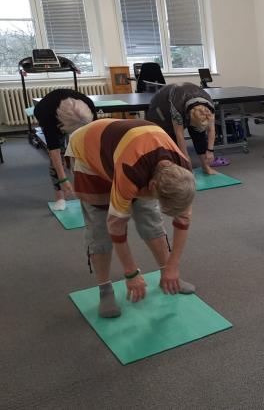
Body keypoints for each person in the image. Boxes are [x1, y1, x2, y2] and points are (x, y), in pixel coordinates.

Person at [66, 118, 197, 318]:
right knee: (100, 228)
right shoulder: (131, 171)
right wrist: (131, 272)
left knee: (150, 218)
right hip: (89, 152)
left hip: (127, 149)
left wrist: (173, 265)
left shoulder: (182, 171)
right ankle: (105, 289)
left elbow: (183, 220)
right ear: (152, 186)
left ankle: (166, 273)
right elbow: (116, 227)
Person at [33, 89, 97, 210]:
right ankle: (60, 197)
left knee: (87, 152)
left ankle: (90, 190)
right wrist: (63, 180)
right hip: (48, 111)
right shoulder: (49, 117)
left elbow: (94, 139)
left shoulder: (88, 106)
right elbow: (54, 152)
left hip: (72, 117)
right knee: (59, 153)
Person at [146, 82, 223, 175]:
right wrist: (186, 159)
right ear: (188, 117)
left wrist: (210, 151)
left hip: (185, 103)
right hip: (161, 109)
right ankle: (174, 170)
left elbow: (211, 130)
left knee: (199, 134)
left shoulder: (208, 108)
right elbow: (179, 135)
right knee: (172, 139)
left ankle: (205, 167)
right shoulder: (177, 108)